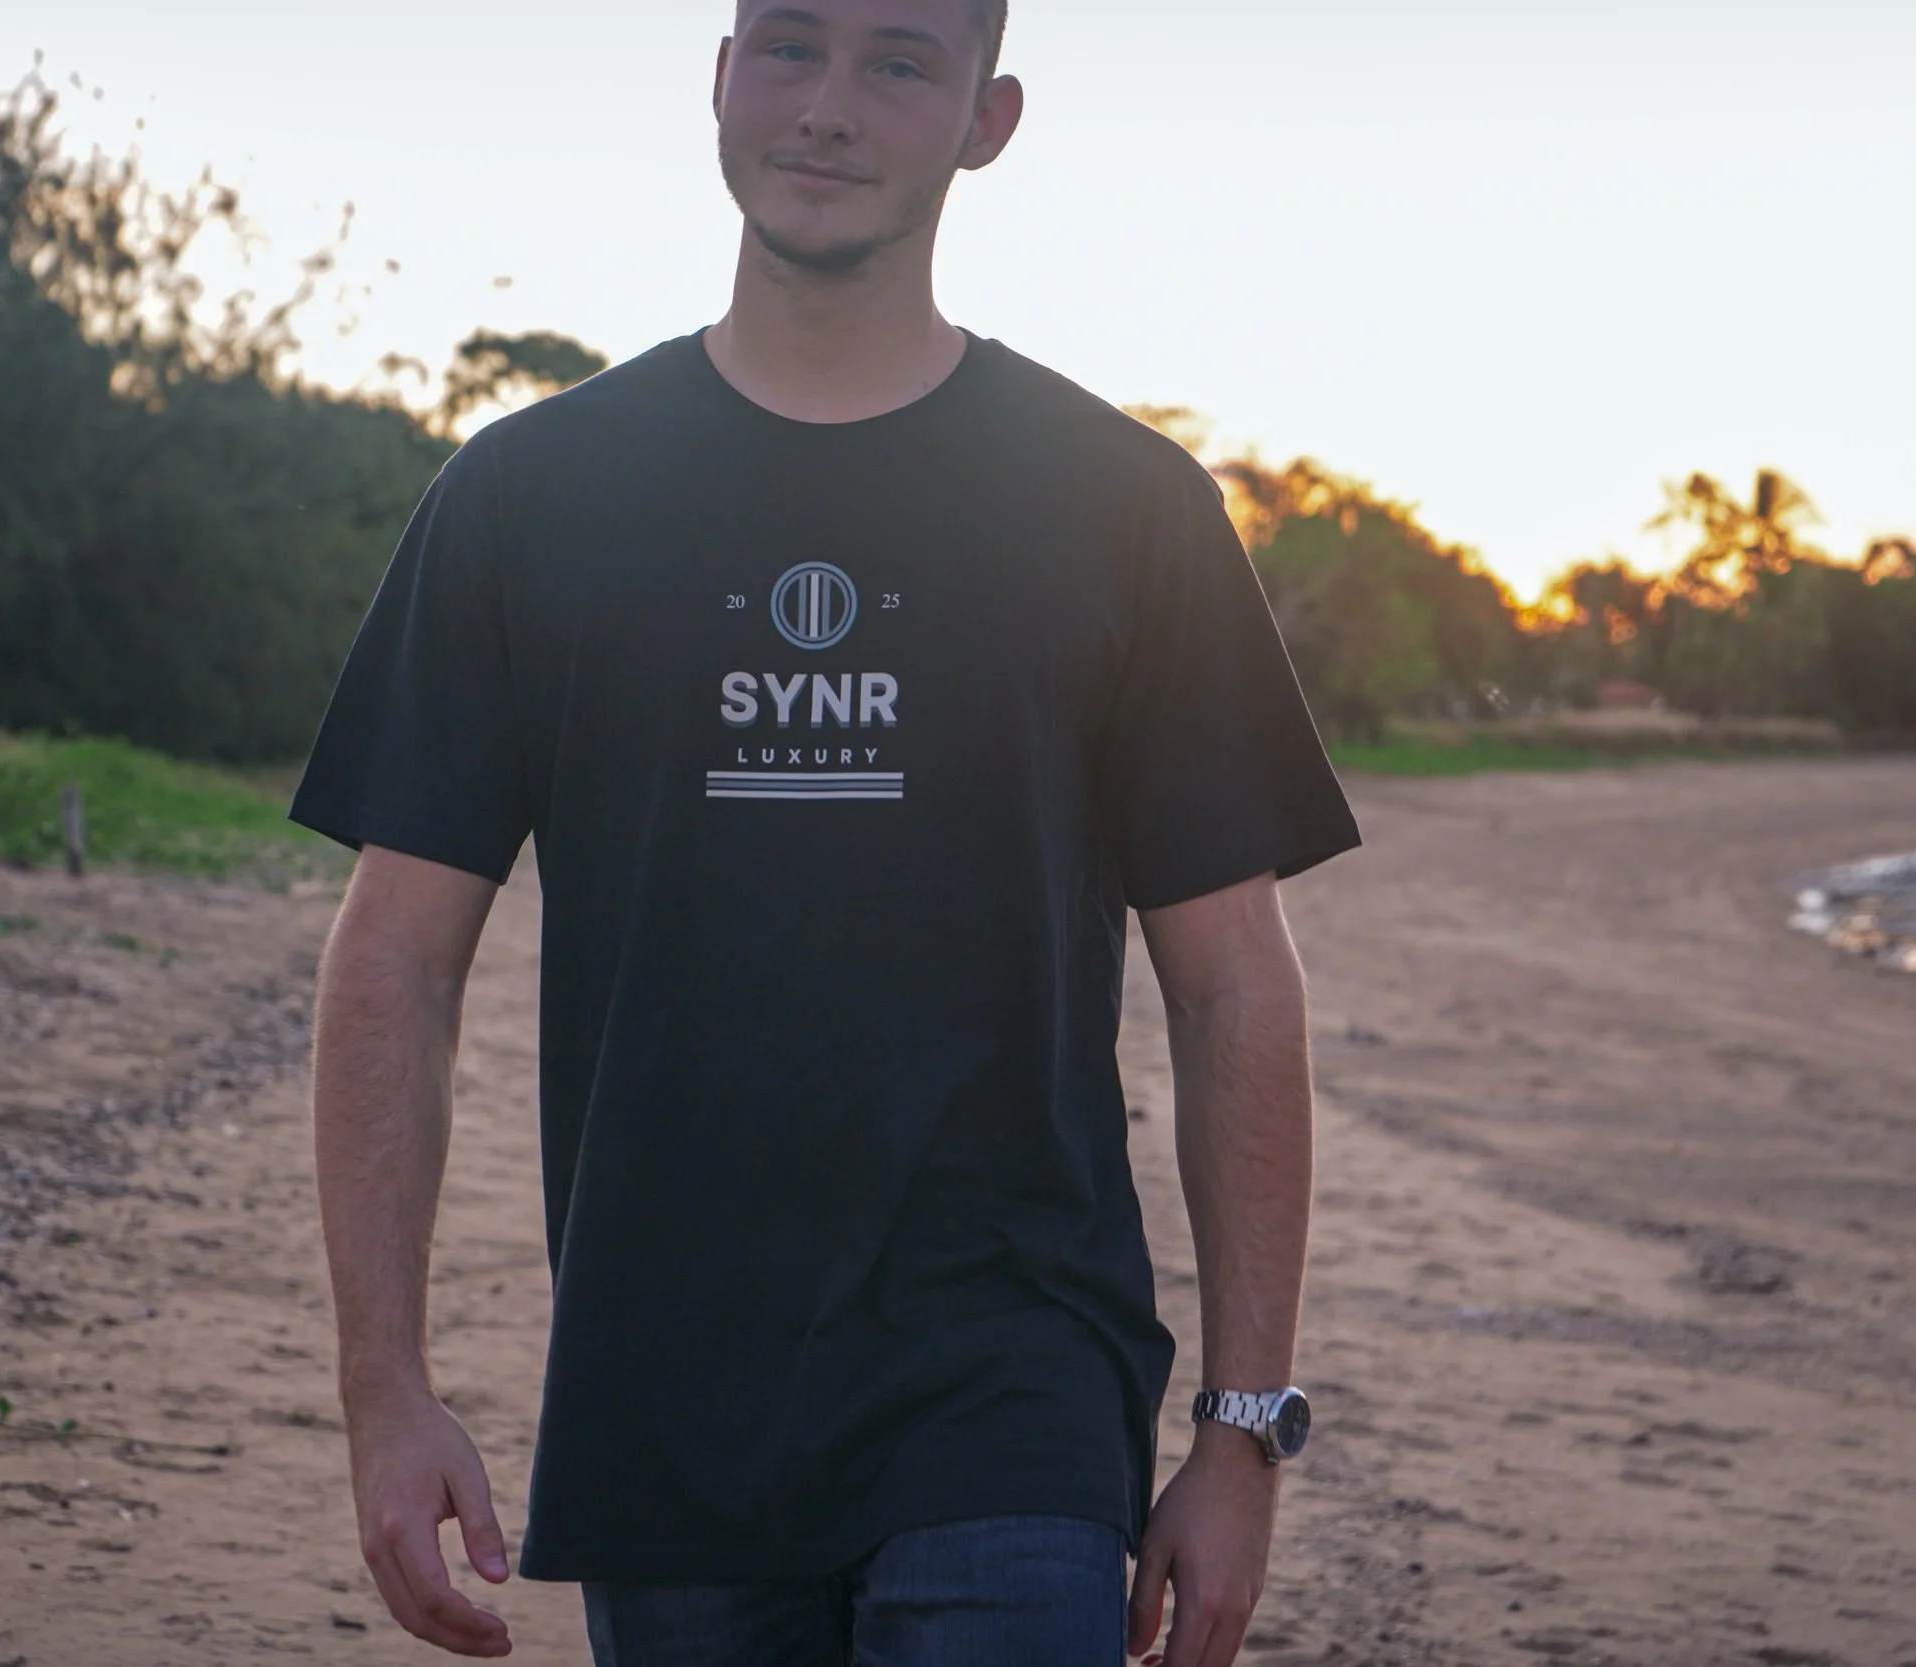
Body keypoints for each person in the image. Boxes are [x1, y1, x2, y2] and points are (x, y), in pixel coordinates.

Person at [291, 1, 1361, 1662]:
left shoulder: (1126, 510)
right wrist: (386, 1390)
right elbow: (394, 964)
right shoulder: (529, 498)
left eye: (900, 62)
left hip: (1015, 1389)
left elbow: (1235, 989)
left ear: (987, 120)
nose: (829, 109)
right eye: (787, 45)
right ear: (717, 78)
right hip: (668, 1403)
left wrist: (1242, 1436)